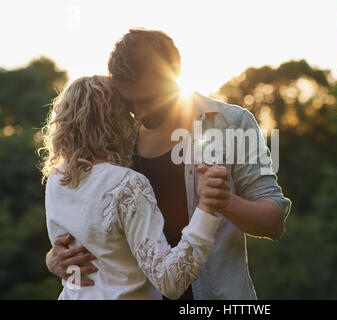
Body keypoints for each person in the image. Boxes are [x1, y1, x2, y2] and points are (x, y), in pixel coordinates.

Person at [46, 28, 291, 300]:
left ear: (174, 73)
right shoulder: (118, 138)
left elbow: (274, 222)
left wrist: (223, 201)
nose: (139, 113)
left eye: (148, 99)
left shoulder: (232, 124)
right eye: (129, 102)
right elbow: (94, 226)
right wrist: (55, 258)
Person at [42, 75, 225, 299]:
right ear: (115, 120)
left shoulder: (56, 180)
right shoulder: (126, 183)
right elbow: (170, 281)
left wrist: (51, 260)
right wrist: (206, 206)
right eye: (127, 111)